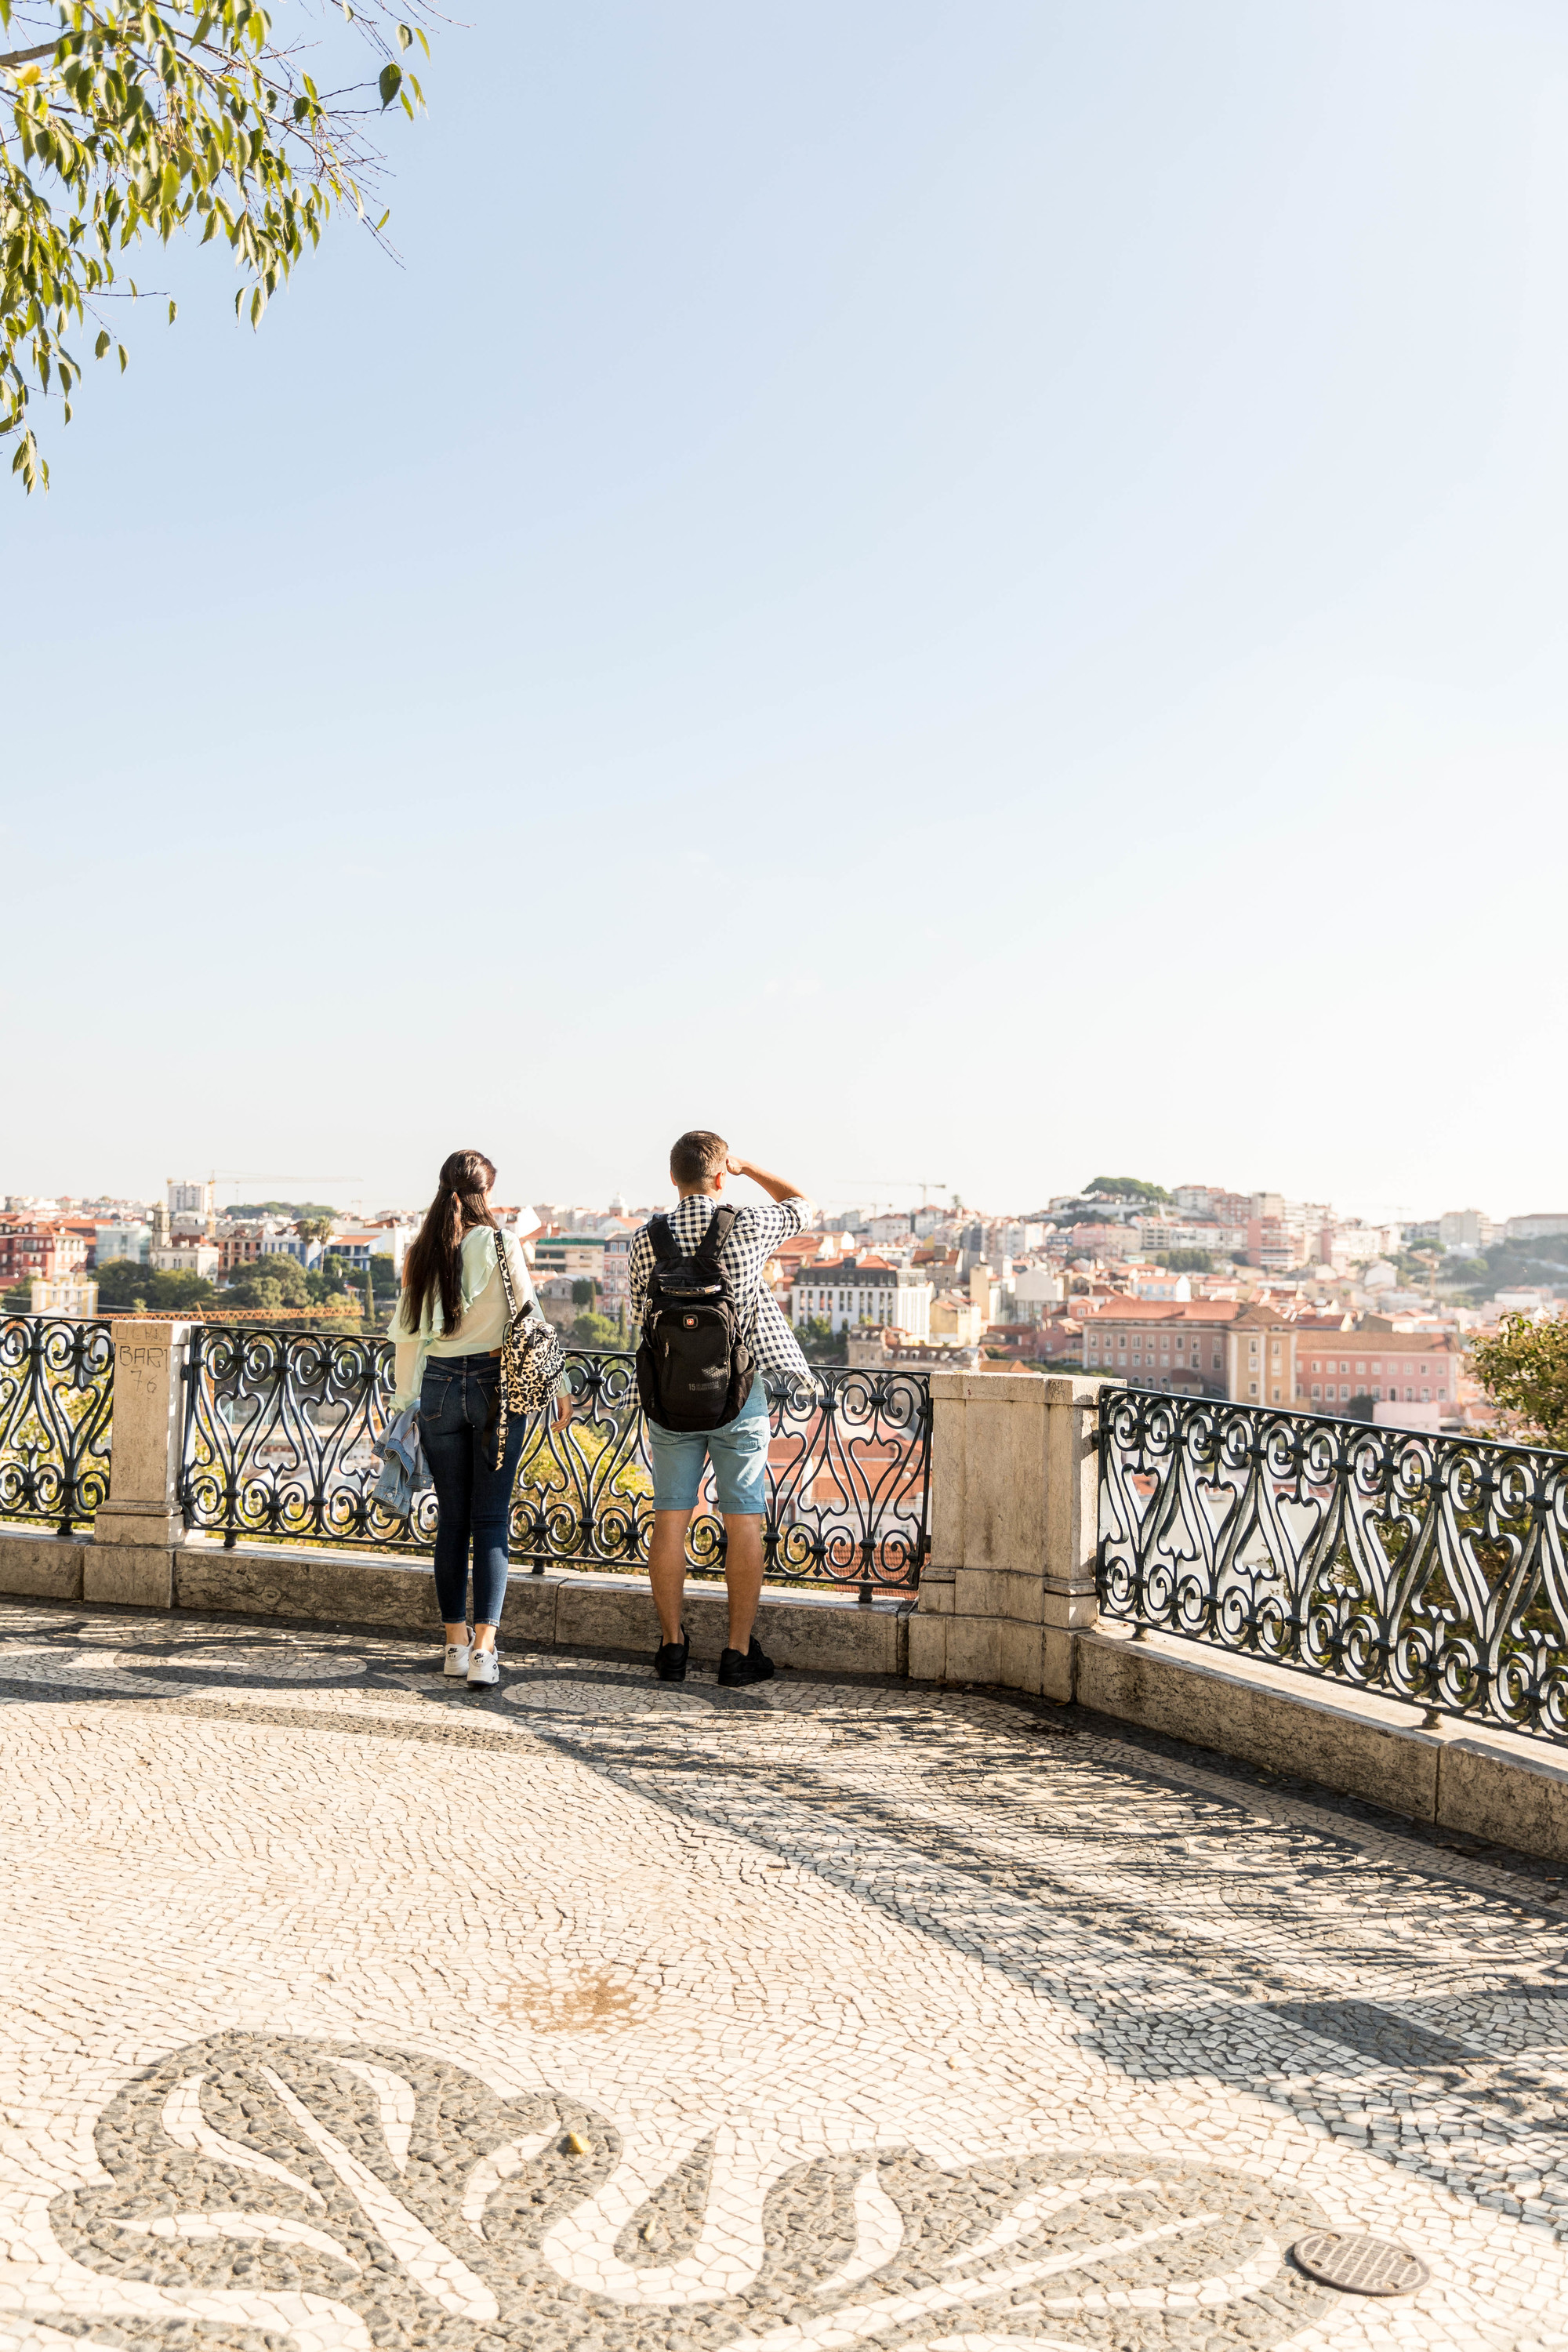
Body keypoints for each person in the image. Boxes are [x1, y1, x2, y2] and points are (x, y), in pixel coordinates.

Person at [628, 1131, 816, 1687]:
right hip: (737, 1392)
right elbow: (803, 1205)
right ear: (719, 1177)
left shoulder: (647, 1238)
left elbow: (640, 1312)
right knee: (743, 1519)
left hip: (669, 1396)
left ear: (672, 1179)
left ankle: (672, 1648)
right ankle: (737, 1653)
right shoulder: (748, 1225)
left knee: (670, 1518)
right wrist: (750, 1166)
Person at [389, 1150, 570, 1688]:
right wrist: (556, 1385)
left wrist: (406, 1405)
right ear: (485, 1193)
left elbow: (406, 1337)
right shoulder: (501, 1242)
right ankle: (485, 1651)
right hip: (495, 1387)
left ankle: (453, 1646)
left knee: (453, 1521)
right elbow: (529, 1315)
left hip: (439, 1387)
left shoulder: (421, 1251)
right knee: (490, 1521)